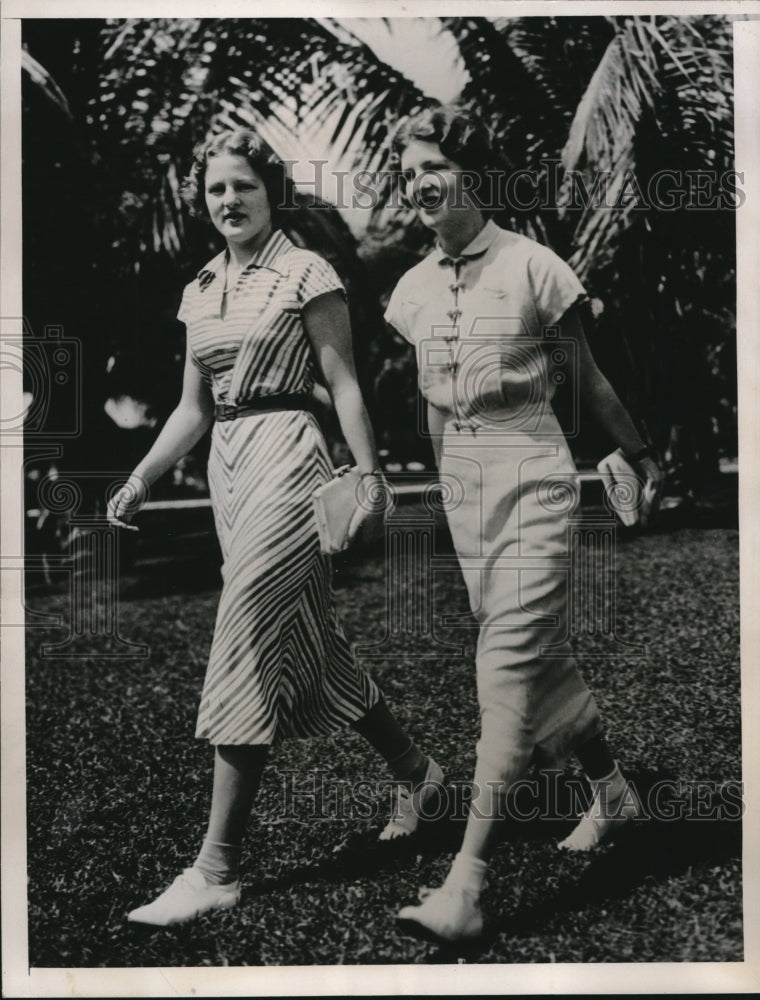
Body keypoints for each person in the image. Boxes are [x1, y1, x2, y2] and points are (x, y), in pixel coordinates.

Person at [107, 127, 442, 927]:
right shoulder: (198, 289)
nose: (229, 201)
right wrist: (141, 478)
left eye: (243, 188)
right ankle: (421, 775)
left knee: (247, 632)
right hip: (229, 463)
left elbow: (344, 384)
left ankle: (216, 867)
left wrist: (369, 476)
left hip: (294, 458)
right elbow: (193, 408)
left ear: (270, 192)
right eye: (216, 190)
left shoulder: (305, 271)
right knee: (313, 644)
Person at [383, 106, 663, 942]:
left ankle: (465, 884)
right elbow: (433, 410)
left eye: (430, 166)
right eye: (405, 176)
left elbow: (590, 378)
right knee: (540, 659)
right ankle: (613, 791)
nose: (417, 184)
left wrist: (641, 455)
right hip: (468, 492)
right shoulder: (411, 289)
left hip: (536, 476)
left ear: (473, 171)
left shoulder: (535, 266)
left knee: (504, 666)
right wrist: (443, 502)